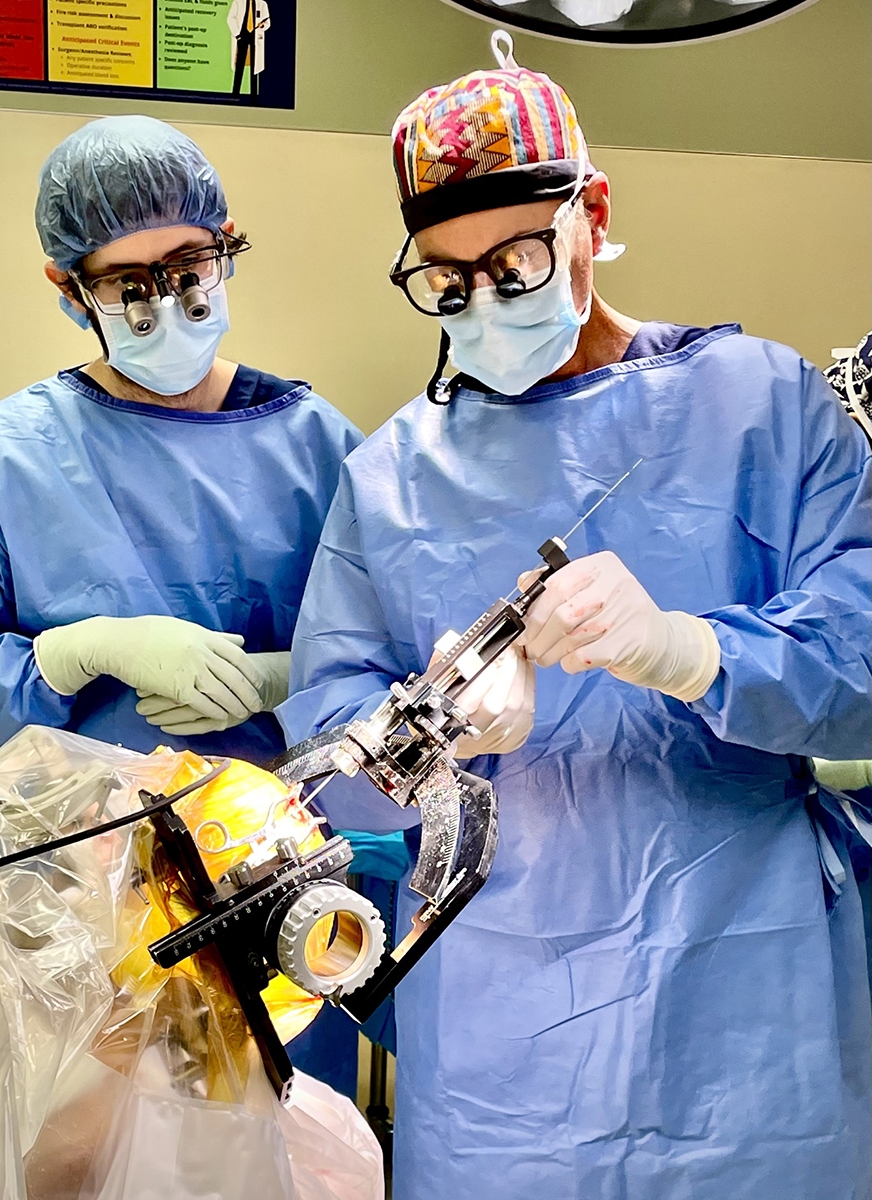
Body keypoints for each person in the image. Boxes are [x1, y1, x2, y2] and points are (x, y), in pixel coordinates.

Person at [279, 32, 872, 1200]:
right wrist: (429, 731)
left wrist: (694, 652)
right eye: (449, 282)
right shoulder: (393, 474)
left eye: (517, 264)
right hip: (505, 1038)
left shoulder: (761, 403)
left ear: (591, 213)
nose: (484, 303)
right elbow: (323, 771)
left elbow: (860, 659)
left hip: (749, 1008)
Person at [0, 115, 361, 770]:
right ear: (69, 287)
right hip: (76, 853)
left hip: (284, 844)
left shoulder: (316, 447)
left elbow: (398, 655)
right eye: (127, 284)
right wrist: (70, 656)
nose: (168, 303)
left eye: (189, 266)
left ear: (224, 245)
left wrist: (286, 678)